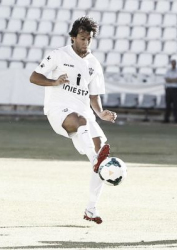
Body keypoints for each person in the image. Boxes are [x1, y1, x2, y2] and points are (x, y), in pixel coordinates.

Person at [29, 16, 117, 224]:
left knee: (101, 154)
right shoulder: (58, 55)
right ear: (73, 37)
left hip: (84, 113)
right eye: (82, 38)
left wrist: (101, 113)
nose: (85, 42)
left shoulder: (94, 64)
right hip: (58, 111)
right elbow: (34, 77)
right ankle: (97, 161)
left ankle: (91, 209)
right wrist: (54, 81)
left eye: (89, 39)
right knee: (81, 123)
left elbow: (94, 97)